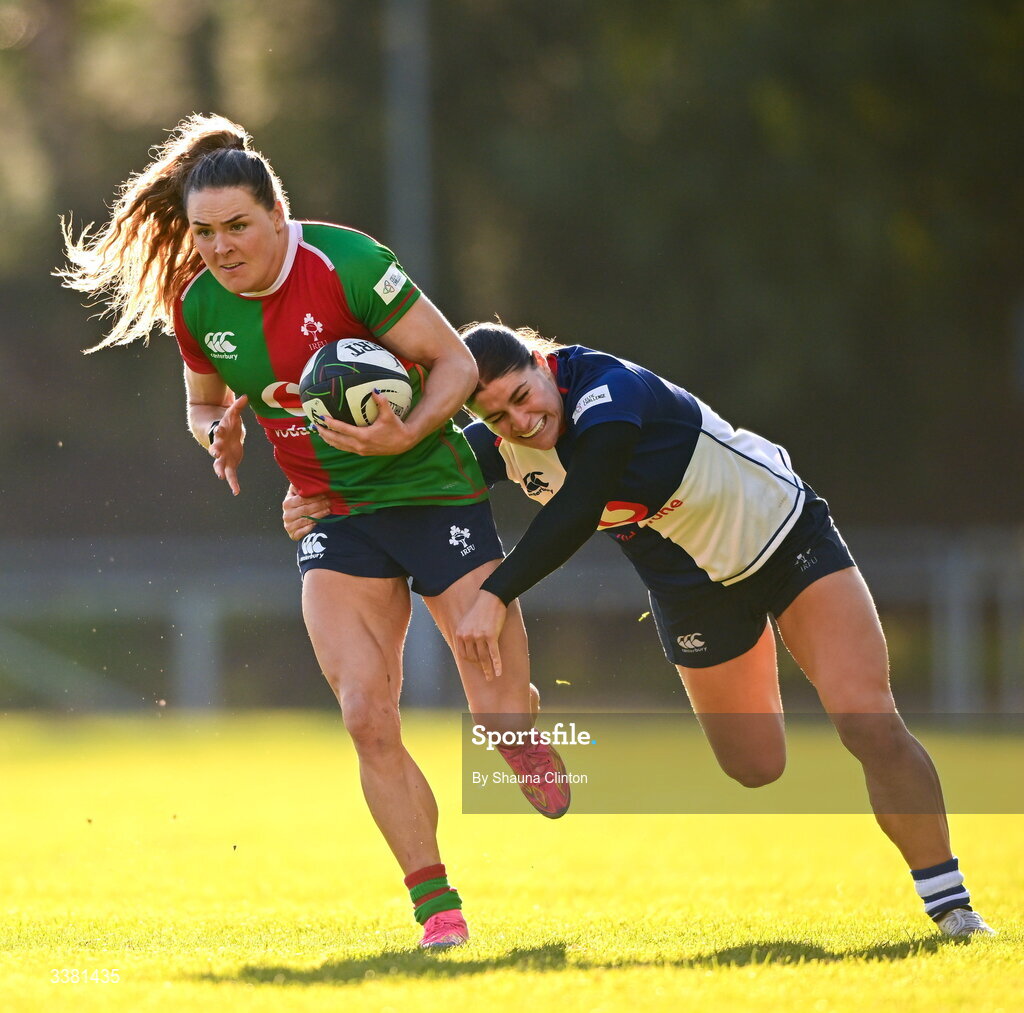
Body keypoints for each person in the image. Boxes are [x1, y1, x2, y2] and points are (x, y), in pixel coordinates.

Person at [58, 115, 569, 952]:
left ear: (276, 213)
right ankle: (437, 908)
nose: (219, 248)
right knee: (367, 713)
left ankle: (519, 729)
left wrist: (404, 436)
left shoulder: (350, 265)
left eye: (237, 227)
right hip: (333, 516)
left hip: (436, 495)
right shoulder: (201, 308)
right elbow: (201, 398)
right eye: (204, 232)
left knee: (498, 713)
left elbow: (457, 365)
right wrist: (216, 426)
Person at [447, 321, 995, 939]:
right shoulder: (501, 440)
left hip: (784, 540)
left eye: (523, 397)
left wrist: (496, 594)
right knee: (754, 765)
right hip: (692, 590)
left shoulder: (609, 392)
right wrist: (322, 492)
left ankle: (952, 906)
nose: (519, 423)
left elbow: (579, 506)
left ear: (543, 363)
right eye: (496, 418)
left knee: (866, 718)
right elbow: (416, 478)